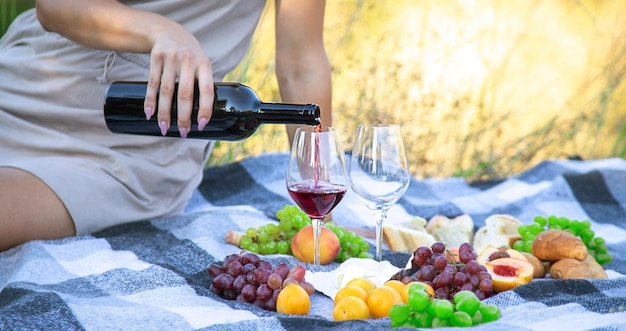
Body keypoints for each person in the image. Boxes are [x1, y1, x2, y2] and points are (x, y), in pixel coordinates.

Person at [0, 0, 332, 252]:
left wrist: (322, 211)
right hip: (28, 86)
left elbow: (301, 61)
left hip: (138, 153)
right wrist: (160, 30)